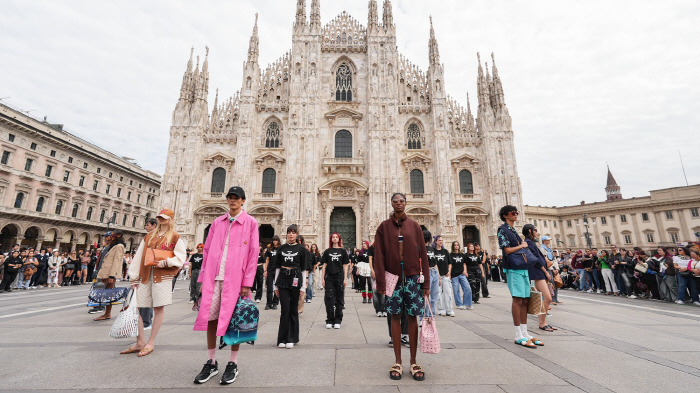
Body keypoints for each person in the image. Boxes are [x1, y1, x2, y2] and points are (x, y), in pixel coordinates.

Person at [190, 187, 258, 385]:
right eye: (230, 198)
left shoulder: (251, 223)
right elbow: (208, 250)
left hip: (235, 280)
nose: (233, 201)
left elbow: (253, 254)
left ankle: (232, 363)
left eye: (236, 198)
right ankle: (211, 361)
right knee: (210, 318)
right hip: (213, 277)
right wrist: (202, 279)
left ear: (243, 201)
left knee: (235, 320)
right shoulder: (216, 223)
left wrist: (247, 282)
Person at [374, 192, 429, 381]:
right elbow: (379, 256)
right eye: (395, 201)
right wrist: (380, 281)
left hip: (413, 278)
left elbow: (423, 255)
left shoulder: (414, 226)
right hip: (393, 278)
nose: (398, 204)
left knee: (413, 317)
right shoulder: (384, 227)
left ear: (405, 203)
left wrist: (426, 283)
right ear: (391, 204)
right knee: (394, 317)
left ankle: (413, 361)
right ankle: (398, 360)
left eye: (401, 201)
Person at [498, 205, 543, 349]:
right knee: (517, 300)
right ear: (505, 215)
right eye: (513, 212)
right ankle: (518, 334)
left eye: (517, 212)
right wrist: (522, 246)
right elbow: (507, 250)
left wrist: (522, 245)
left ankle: (525, 332)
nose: (516, 214)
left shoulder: (513, 231)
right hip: (513, 268)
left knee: (525, 300)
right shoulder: (502, 230)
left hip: (523, 269)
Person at [273, 224, 307, 348]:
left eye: (293, 232)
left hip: (296, 278)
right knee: (284, 309)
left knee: (293, 309)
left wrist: (303, 287)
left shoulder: (302, 249)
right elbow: (277, 267)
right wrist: (275, 286)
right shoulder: (281, 248)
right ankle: (282, 338)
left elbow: (303, 269)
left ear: (297, 235)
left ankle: (291, 338)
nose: (291, 235)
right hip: (283, 278)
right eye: (289, 232)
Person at [522, 225, 555, 333]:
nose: (537, 232)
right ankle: (542, 322)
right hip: (538, 272)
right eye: (535, 230)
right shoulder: (529, 243)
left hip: (539, 272)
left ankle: (542, 322)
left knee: (541, 298)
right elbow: (535, 259)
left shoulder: (531, 242)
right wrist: (546, 272)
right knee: (548, 298)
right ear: (530, 231)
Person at [321, 233, 349, 329]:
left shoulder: (343, 251)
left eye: (337, 237)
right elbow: (324, 265)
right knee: (329, 298)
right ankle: (329, 319)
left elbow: (345, 265)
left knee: (339, 298)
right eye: (333, 237)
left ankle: (338, 319)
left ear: (339, 239)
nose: (335, 238)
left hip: (339, 276)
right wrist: (322, 278)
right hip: (329, 276)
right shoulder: (327, 251)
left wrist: (345, 278)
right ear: (331, 239)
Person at [433, 236, 454, 317]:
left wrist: (449, 271)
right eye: (439, 240)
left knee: (448, 293)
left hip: (445, 275)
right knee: (438, 294)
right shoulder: (433, 251)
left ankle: (449, 309)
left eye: (442, 240)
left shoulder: (445, 251)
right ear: (435, 241)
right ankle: (441, 309)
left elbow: (450, 263)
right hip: (436, 275)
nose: (441, 242)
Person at [451, 241, 472, 310]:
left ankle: (467, 304)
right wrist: (450, 274)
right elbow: (450, 265)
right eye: (455, 245)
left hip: (462, 274)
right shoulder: (450, 255)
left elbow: (464, 263)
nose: (456, 246)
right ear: (453, 246)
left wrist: (465, 271)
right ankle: (459, 304)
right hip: (454, 275)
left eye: (457, 245)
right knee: (456, 290)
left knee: (467, 288)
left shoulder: (462, 255)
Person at [539, 236, 560, 304]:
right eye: (548, 240)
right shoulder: (542, 249)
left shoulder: (550, 249)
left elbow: (554, 259)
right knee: (551, 283)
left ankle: (555, 299)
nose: (549, 241)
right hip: (548, 267)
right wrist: (551, 268)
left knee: (556, 283)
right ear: (544, 241)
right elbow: (545, 260)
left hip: (553, 266)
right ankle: (552, 299)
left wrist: (556, 268)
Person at [424, 230, 439, 318]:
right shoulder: (419, 248)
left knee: (434, 296)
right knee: (426, 297)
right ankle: (424, 317)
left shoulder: (431, 249)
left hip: (434, 272)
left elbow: (435, 262)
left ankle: (431, 316)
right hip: (427, 272)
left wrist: (439, 276)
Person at [264, 235, 281, 310]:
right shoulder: (269, 249)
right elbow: (267, 259)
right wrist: (265, 270)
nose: (275, 241)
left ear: (278, 241)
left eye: (276, 240)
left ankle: (275, 303)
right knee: (269, 287)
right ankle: (268, 303)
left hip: (278, 269)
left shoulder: (281, 249)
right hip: (270, 269)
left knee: (277, 287)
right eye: (274, 240)